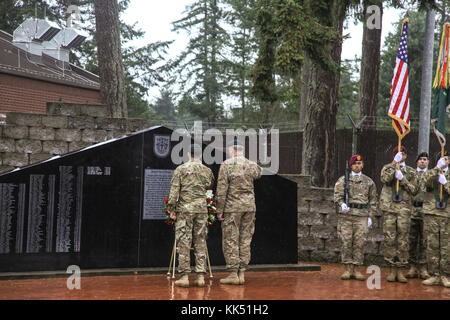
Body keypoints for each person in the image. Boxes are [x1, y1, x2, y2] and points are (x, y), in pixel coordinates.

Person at [166, 144, 214, 288]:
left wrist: (171, 208)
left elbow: (174, 192)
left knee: (184, 242)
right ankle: (200, 277)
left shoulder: (180, 169)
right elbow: (208, 186)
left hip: (185, 210)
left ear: (188, 154)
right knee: (200, 241)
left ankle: (185, 277)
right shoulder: (207, 170)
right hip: (201, 209)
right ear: (200, 155)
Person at [216, 141, 262, 285]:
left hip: (232, 207)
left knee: (231, 239)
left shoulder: (226, 165)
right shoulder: (252, 165)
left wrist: (219, 210)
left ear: (232, 150)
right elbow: (258, 174)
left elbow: (222, 190)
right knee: (245, 239)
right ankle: (242, 272)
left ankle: (233, 273)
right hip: (249, 207)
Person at [334, 154, 377, 280]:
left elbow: (373, 201)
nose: (357, 166)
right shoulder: (343, 180)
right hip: (346, 216)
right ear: (351, 166)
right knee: (346, 241)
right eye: (355, 164)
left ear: (362, 165)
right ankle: (347, 269)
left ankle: (357, 269)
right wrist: (341, 204)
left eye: (359, 163)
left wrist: (370, 216)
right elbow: (337, 195)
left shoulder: (369, 182)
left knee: (359, 242)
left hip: (362, 216)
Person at [379, 146, 419, 283]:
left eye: (401, 154)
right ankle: (391, 269)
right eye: (396, 154)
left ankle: (400, 269)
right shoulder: (387, 168)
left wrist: (403, 179)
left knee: (403, 239)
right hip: (390, 208)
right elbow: (384, 179)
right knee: (390, 239)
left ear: (406, 156)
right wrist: (393, 166)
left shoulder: (412, 172)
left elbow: (414, 190)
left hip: (404, 209)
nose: (399, 156)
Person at [421, 152, 450, 288]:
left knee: (446, 247)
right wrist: (436, 169)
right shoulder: (433, 172)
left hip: (447, 215)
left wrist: (446, 183)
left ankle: (445, 275)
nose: (444, 161)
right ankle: (434, 275)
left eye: (446, 159)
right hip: (432, 213)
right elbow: (423, 182)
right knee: (432, 246)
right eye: (442, 159)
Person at [406, 152, 431, 279]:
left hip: (426, 210)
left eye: (425, 159)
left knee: (424, 241)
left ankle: (423, 267)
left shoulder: (431, 175)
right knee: (412, 239)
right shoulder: (411, 174)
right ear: (416, 162)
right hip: (412, 209)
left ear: (428, 162)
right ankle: (413, 266)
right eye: (420, 159)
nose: (422, 161)